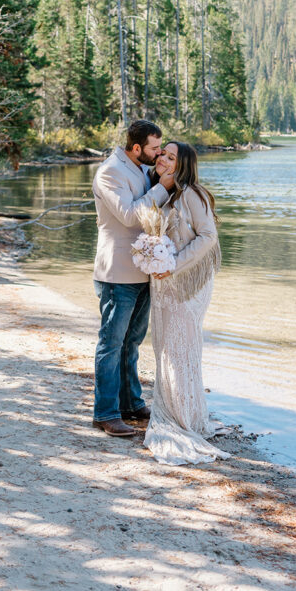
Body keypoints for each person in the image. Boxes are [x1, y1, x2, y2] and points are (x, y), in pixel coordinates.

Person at [144, 141, 230, 465]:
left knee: (180, 349)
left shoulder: (193, 194)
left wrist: (173, 263)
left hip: (188, 283)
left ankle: (183, 420)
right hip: (165, 281)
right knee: (166, 347)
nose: (162, 159)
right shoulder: (163, 192)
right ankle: (184, 413)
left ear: (184, 164)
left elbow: (209, 237)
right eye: (161, 154)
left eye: (170, 156)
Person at [92, 119, 175, 437]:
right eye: (155, 148)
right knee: (111, 344)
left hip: (143, 270)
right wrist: (162, 188)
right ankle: (106, 413)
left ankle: (131, 403)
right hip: (116, 272)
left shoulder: (141, 169)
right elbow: (129, 215)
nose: (158, 154)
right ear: (136, 147)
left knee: (132, 343)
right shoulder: (110, 172)